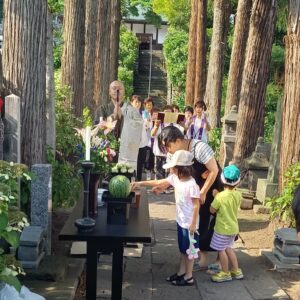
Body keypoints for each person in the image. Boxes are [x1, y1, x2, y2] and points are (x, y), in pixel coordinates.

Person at [132, 150, 200, 286]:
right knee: (183, 249)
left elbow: (196, 205)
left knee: (189, 251)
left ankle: (189, 276)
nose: (171, 170)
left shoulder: (192, 185)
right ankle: (181, 272)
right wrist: (141, 183)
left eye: (173, 167)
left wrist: (193, 224)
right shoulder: (176, 178)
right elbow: (158, 182)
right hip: (181, 221)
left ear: (181, 169)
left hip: (189, 224)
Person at [157, 125, 222, 269]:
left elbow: (214, 170)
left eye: (169, 146)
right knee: (200, 220)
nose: (168, 150)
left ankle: (219, 259)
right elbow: (173, 175)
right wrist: (163, 185)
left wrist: (203, 192)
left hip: (212, 186)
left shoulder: (199, 147)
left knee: (215, 220)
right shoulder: (173, 154)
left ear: (178, 140)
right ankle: (201, 258)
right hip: (195, 187)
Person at [209, 164, 243, 282]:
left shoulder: (220, 197)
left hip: (222, 229)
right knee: (229, 248)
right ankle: (236, 271)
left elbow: (212, 210)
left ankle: (225, 273)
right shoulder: (238, 195)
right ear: (237, 182)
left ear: (222, 179)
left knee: (221, 250)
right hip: (233, 228)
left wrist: (215, 196)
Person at [118, 95, 143, 171]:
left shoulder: (142, 113)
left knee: (134, 162)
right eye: (136, 102)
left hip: (138, 142)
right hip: (128, 138)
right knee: (125, 160)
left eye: (139, 102)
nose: (138, 104)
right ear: (131, 102)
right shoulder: (127, 110)